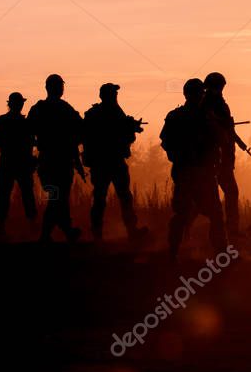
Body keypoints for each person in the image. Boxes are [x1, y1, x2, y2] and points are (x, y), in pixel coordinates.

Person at [162, 78, 228, 261]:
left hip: (187, 171)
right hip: (200, 172)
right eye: (199, 93)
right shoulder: (206, 117)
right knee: (214, 213)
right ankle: (221, 254)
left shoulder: (176, 116)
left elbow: (166, 142)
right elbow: (221, 140)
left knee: (183, 213)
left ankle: (173, 252)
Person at [82, 83, 148, 242]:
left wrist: (130, 127)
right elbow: (127, 137)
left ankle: (98, 234)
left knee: (100, 198)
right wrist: (131, 128)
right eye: (114, 94)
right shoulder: (116, 113)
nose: (115, 97)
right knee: (123, 197)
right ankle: (131, 231)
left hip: (100, 163)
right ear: (110, 96)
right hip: (113, 162)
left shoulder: (93, 114)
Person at [27, 74, 83, 243]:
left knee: (57, 197)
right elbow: (80, 132)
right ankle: (50, 234)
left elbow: (27, 134)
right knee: (58, 198)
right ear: (59, 88)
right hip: (61, 162)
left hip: (47, 162)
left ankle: (66, 231)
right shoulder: (66, 109)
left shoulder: (38, 109)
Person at [0, 92, 37, 237]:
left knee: (4, 195)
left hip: (8, 163)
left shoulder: (2, 121)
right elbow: (34, 142)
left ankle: (2, 227)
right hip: (22, 164)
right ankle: (31, 226)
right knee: (27, 195)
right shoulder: (26, 123)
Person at [202, 72, 241, 236]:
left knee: (213, 195)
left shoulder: (214, 103)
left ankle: (230, 230)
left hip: (222, 156)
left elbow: (228, 128)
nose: (222, 90)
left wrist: (236, 139)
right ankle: (230, 230)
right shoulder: (207, 105)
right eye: (220, 87)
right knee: (228, 193)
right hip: (216, 158)